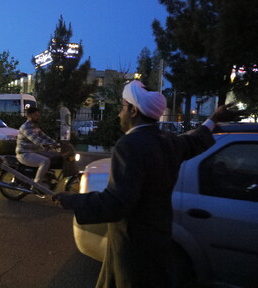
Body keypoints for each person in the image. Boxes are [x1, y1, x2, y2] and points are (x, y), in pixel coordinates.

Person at [52, 80, 241, 288]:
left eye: (122, 107)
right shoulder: (169, 141)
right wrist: (213, 119)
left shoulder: (130, 144)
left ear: (133, 111)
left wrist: (74, 201)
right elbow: (196, 140)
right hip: (159, 241)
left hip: (133, 249)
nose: (119, 114)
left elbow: (117, 202)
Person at [16, 106, 60, 189]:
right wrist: (50, 145)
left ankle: (46, 177)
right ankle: (37, 185)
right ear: (29, 115)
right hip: (24, 153)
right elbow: (36, 140)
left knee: (54, 156)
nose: (38, 117)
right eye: (36, 115)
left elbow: (44, 136)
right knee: (45, 161)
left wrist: (56, 143)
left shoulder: (34, 126)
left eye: (38, 115)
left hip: (33, 152)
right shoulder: (26, 127)